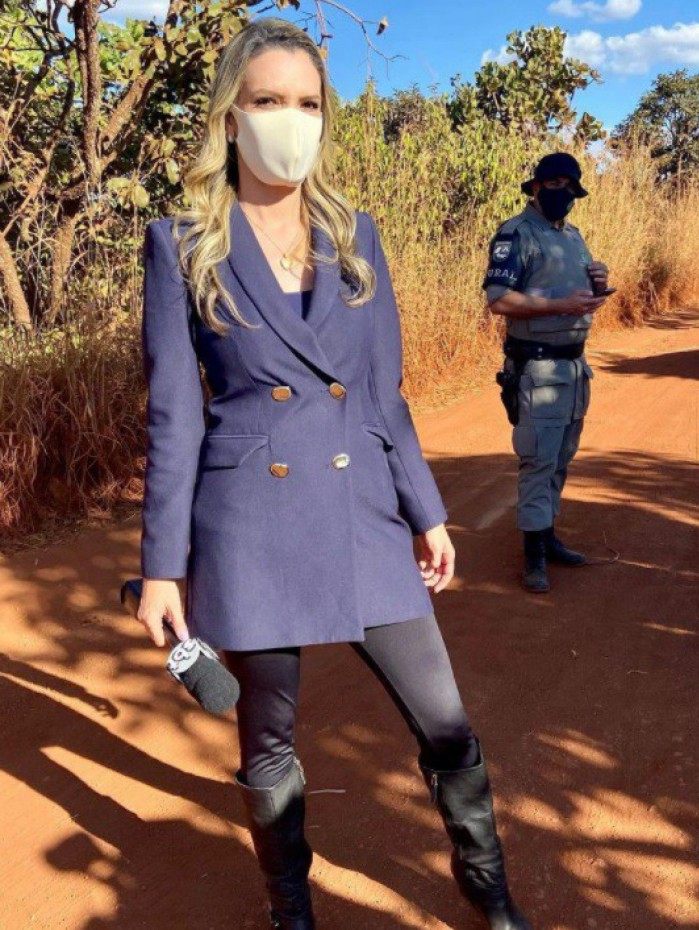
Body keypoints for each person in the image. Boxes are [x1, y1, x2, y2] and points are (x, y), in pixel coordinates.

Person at [137, 18, 531, 930]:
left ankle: (486, 884)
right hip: (249, 521)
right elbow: (175, 415)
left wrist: (424, 509)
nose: (291, 119)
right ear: (231, 117)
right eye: (268, 100)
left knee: (445, 721)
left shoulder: (356, 236)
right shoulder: (181, 242)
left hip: (362, 513)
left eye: (308, 103)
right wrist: (161, 566)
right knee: (268, 742)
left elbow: (383, 395)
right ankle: (291, 908)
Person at [482, 152, 611, 594]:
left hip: (574, 367)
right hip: (537, 368)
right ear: (536, 187)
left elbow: (576, 295)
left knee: (561, 457)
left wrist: (598, 284)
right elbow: (498, 299)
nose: (563, 194)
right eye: (554, 185)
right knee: (538, 460)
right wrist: (561, 305)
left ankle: (548, 535)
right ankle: (533, 554)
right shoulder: (516, 234)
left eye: (570, 188)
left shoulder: (572, 236)